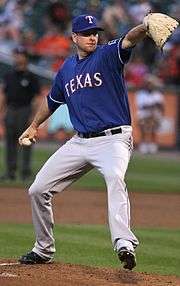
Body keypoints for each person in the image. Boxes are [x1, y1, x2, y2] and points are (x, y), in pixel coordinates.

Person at [18, 14, 149, 270]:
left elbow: (130, 38)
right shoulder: (66, 69)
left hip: (114, 140)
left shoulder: (107, 54)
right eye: (86, 33)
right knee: (37, 189)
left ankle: (124, 242)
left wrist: (144, 26)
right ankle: (43, 249)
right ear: (74, 37)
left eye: (95, 32)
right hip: (79, 143)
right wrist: (34, 126)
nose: (92, 36)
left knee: (114, 178)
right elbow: (52, 101)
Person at [0, 46, 40, 180]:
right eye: (16, 54)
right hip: (11, 109)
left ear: (26, 58)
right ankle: (10, 172)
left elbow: (36, 98)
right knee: (10, 142)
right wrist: (2, 112)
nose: (18, 57)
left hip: (25, 109)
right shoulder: (9, 75)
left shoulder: (31, 76)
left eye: (20, 55)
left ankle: (25, 172)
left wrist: (34, 117)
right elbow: (4, 95)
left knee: (26, 142)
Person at [135, 76, 164, 154]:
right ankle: (143, 146)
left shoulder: (158, 94)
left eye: (151, 84)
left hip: (154, 115)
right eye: (148, 84)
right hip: (144, 115)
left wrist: (154, 107)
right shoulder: (141, 94)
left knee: (154, 130)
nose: (149, 86)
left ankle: (152, 146)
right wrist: (154, 105)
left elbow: (161, 106)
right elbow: (142, 106)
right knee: (143, 131)